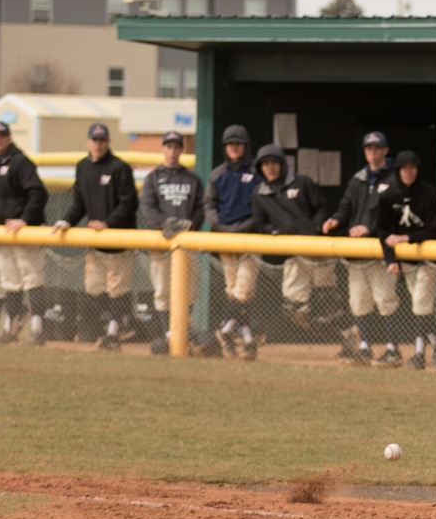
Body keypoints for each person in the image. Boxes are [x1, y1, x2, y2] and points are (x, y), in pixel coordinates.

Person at [54, 122, 138, 351]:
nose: (98, 144)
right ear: (88, 142)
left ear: (108, 142)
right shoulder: (82, 166)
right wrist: (66, 221)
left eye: (102, 140)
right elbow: (79, 202)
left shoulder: (119, 167)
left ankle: (114, 332)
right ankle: (109, 327)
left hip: (119, 241)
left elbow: (129, 202)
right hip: (96, 242)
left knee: (117, 288)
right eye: (95, 140)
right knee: (93, 287)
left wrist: (108, 223)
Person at [322, 131, 400, 366]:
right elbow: (346, 206)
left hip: (380, 248)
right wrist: (336, 219)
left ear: (386, 150)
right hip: (358, 251)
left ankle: (392, 349)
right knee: (359, 300)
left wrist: (369, 228)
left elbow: (394, 212)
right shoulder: (358, 179)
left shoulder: (395, 178)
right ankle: (364, 347)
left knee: (385, 299)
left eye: (378, 148)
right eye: (369, 149)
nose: (373, 152)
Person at [377, 150, 436, 369]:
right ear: (398, 170)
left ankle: (419, 352)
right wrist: (391, 259)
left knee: (420, 304)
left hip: (428, 257)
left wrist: (407, 237)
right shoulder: (389, 193)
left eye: (412, 167)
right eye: (404, 167)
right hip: (406, 260)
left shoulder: (430, 193)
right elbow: (383, 230)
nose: (408, 172)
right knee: (421, 307)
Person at [137, 130, 203, 352]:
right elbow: (148, 208)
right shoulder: (153, 178)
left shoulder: (192, 179)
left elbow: (200, 209)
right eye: (169, 146)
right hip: (162, 244)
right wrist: (169, 223)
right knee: (163, 291)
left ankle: (180, 331)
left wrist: (187, 226)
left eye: (176, 146)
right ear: (163, 148)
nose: (172, 151)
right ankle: (170, 333)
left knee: (189, 291)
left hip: (187, 243)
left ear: (181, 150)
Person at [249, 143, 328, 329]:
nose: (270, 168)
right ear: (260, 167)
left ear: (283, 164)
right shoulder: (259, 193)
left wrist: (315, 227)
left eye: (274, 163)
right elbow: (259, 223)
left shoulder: (302, 182)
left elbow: (322, 207)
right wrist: (275, 232)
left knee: (328, 301)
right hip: (293, 253)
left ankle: (347, 341)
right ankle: (318, 331)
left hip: (318, 250)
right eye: (265, 164)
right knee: (292, 303)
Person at [0, 119, 49, 345]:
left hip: (24, 233)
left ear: (10, 137)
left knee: (32, 279)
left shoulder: (20, 161)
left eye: (2, 135)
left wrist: (24, 219)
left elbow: (38, 193)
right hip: (1, 234)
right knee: (10, 282)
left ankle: (37, 330)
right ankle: (10, 330)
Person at [205, 124, 261, 358]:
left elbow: (262, 206)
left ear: (245, 146)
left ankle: (224, 328)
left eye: (238, 144)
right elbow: (209, 204)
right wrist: (220, 226)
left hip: (251, 238)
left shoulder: (256, 171)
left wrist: (243, 226)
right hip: (226, 238)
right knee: (233, 289)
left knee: (243, 289)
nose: (234, 148)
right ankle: (247, 339)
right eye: (230, 144)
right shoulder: (218, 174)